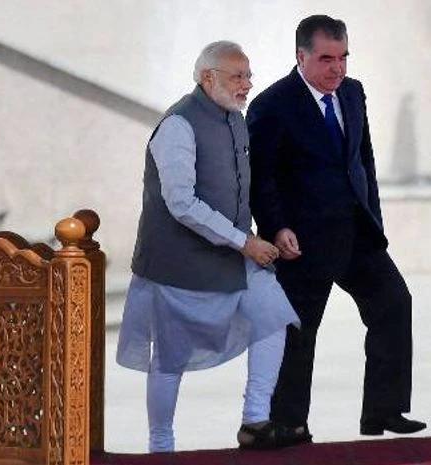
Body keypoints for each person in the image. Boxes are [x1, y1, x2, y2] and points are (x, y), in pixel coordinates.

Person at [246, 15, 426, 443]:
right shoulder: (273, 104)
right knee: (298, 331)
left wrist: (375, 221)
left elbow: (364, 162)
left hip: (358, 233)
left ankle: (383, 411)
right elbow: (261, 177)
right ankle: (290, 423)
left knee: (394, 304)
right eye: (327, 58)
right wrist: (276, 228)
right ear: (301, 56)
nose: (337, 68)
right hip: (302, 240)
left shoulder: (353, 92)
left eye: (343, 56)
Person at [116, 40, 301, 453]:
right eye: (238, 76)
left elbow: (240, 187)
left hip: (234, 253)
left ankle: (256, 421)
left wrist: (274, 231)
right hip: (179, 263)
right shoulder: (177, 126)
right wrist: (244, 243)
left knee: (273, 316)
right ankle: (160, 445)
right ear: (207, 77)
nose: (247, 84)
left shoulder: (234, 119)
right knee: (170, 357)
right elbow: (181, 203)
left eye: (249, 75)